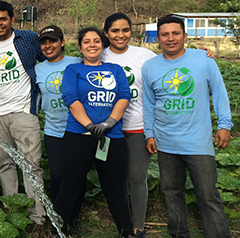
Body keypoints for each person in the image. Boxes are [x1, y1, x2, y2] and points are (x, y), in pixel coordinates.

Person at [142, 16, 232, 238]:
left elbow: (219, 93)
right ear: (158, 38)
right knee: (171, 193)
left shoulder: (204, 60)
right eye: (165, 34)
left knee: (207, 194)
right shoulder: (150, 67)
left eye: (175, 33)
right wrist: (149, 134)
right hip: (166, 142)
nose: (170, 39)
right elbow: (149, 104)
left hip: (198, 142)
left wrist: (224, 124)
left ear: (185, 35)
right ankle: (179, 234)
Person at [0, 1, 47, 227]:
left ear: (12, 20)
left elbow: (48, 60)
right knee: (4, 163)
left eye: (3, 19)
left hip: (24, 111)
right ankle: (13, 211)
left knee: (31, 164)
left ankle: (38, 217)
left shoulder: (28, 38)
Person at [56, 27, 133, 237]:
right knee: (70, 187)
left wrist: (108, 123)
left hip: (112, 136)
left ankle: (126, 232)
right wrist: (90, 126)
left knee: (116, 189)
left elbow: (124, 96)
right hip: (78, 136)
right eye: (87, 42)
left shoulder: (115, 70)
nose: (92, 45)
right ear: (80, 47)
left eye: (96, 41)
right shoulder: (73, 71)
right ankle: (58, 231)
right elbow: (71, 99)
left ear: (103, 44)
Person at [100, 12, 156, 238]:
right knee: (117, 177)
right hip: (110, 128)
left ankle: (138, 225)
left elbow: (171, 61)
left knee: (136, 176)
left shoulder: (144, 55)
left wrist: (200, 54)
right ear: (106, 33)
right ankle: (124, 221)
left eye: (125, 30)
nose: (120, 35)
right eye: (114, 31)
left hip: (137, 126)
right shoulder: (100, 55)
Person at [34, 25, 84, 236]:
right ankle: (58, 217)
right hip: (53, 129)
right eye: (44, 42)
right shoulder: (37, 69)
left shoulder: (76, 63)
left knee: (77, 176)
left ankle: (72, 218)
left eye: (53, 41)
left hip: (78, 128)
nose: (48, 45)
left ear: (62, 42)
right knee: (56, 175)